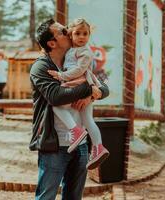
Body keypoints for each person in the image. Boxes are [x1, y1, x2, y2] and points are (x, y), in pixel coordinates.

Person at [29, 19, 109, 200]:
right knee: (46, 197)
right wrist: (89, 89)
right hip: (54, 146)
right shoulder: (41, 67)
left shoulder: (75, 58)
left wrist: (93, 94)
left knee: (74, 197)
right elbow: (56, 96)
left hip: (79, 145)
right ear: (52, 43)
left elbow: (104, 87)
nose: (69, 31)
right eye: (63, 31)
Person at [47, 18, 109, 170]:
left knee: (56, 106)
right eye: (77, 33)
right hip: (81, 84)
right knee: (88, 120)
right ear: (70, 34)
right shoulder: (71, 51)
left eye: (85, 34)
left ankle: (75, 130)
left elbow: (81, 70)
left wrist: (62, 76)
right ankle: (98, 147)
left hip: (78, 83)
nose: (82, 37)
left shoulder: (85, 51)